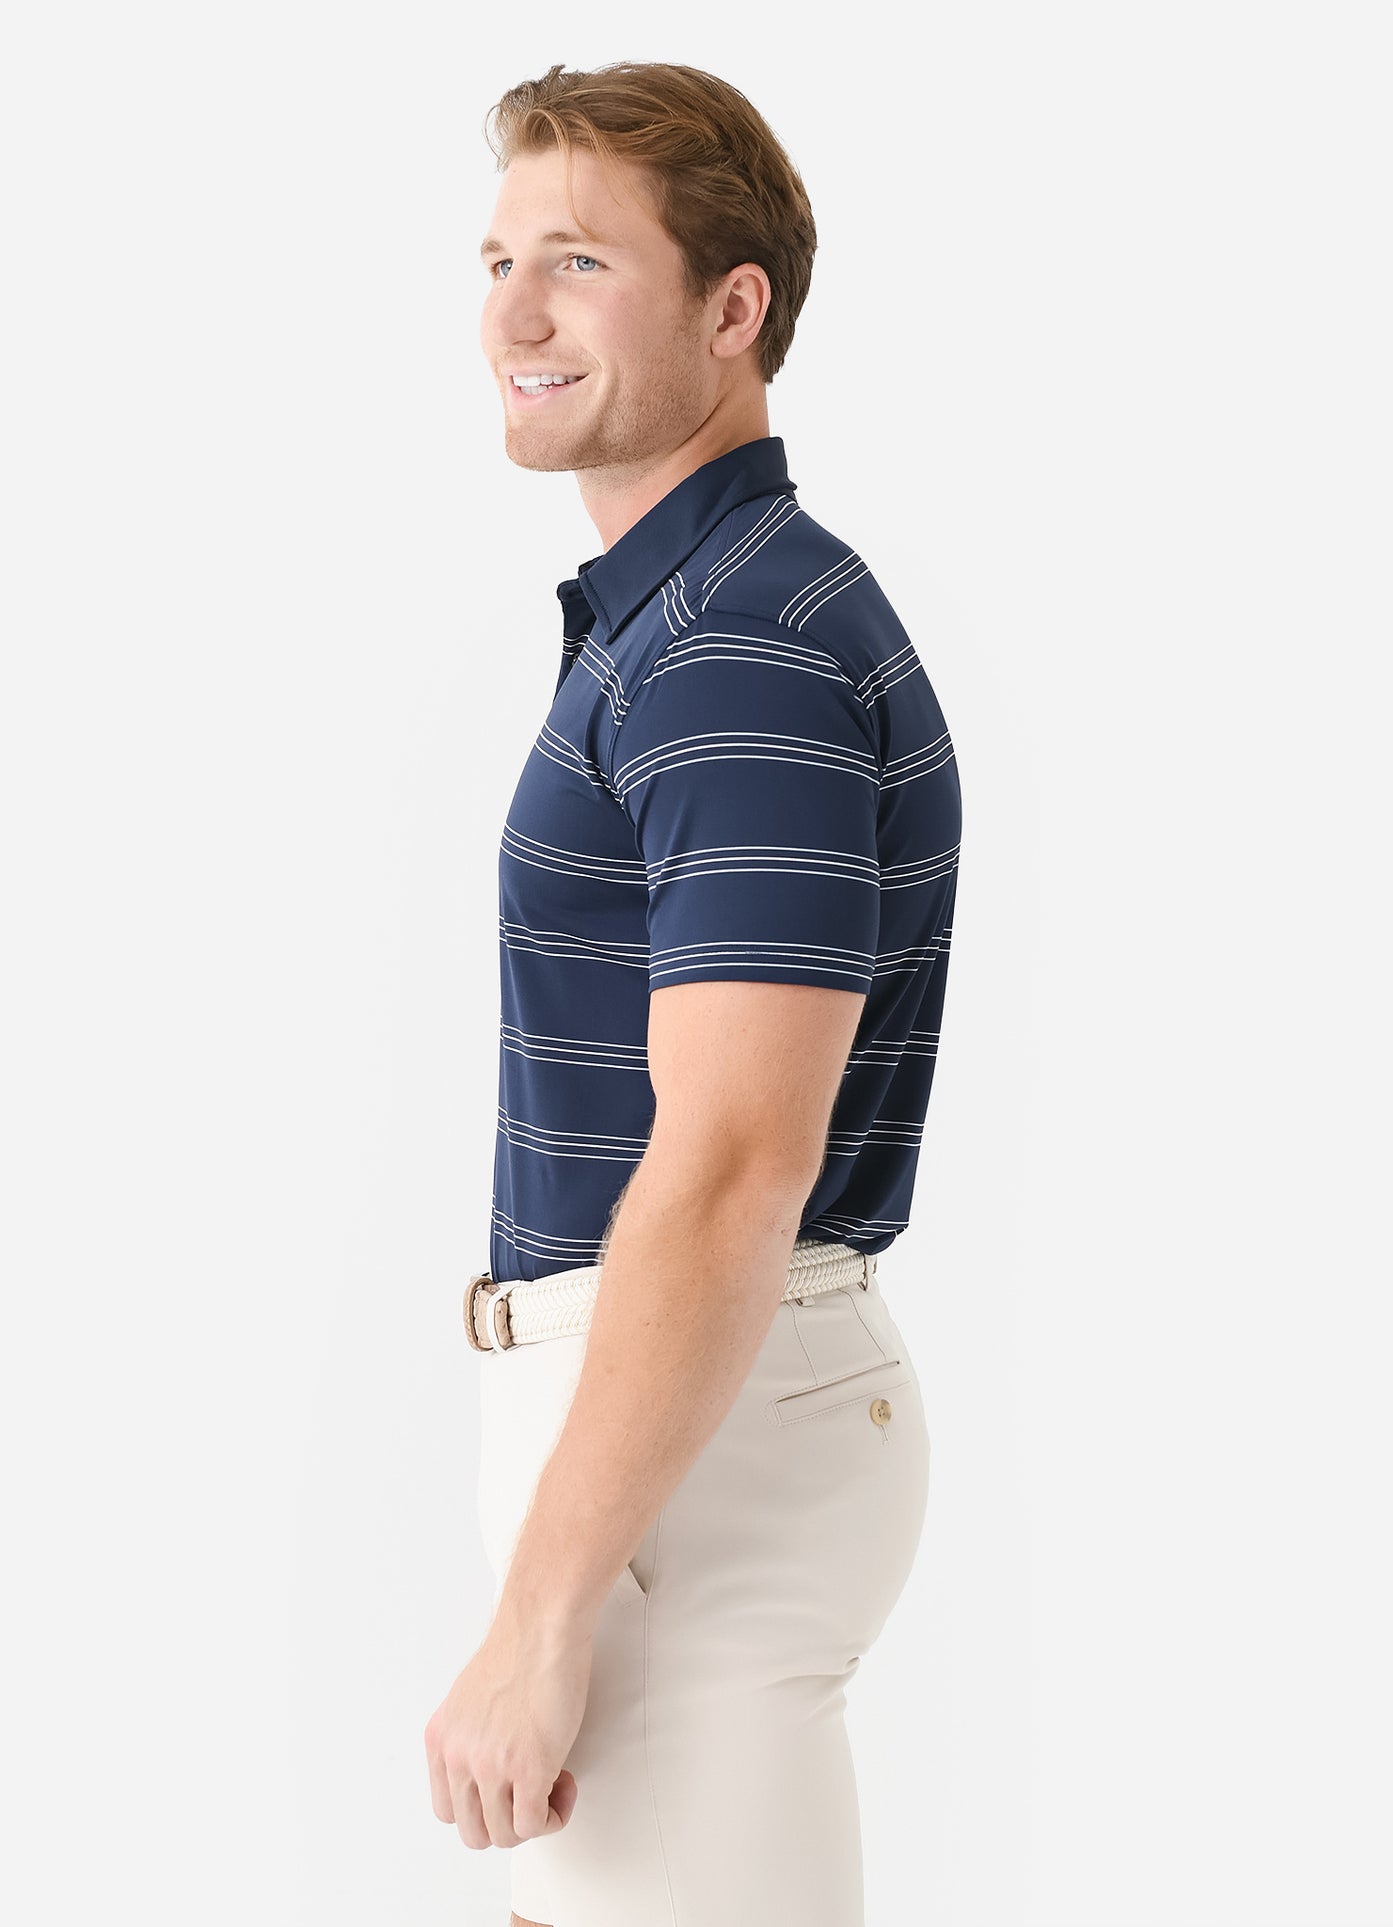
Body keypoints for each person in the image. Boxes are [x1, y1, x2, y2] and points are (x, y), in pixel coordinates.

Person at [424, 60, 962, 1927]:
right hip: (674, 1439)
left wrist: (541, 1613)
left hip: (688, 1456)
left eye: (577, 261)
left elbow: (735, 1157)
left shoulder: (735, 645)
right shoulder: (692, 613)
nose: (512, 314)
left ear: (734, 312)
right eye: (496, 259)